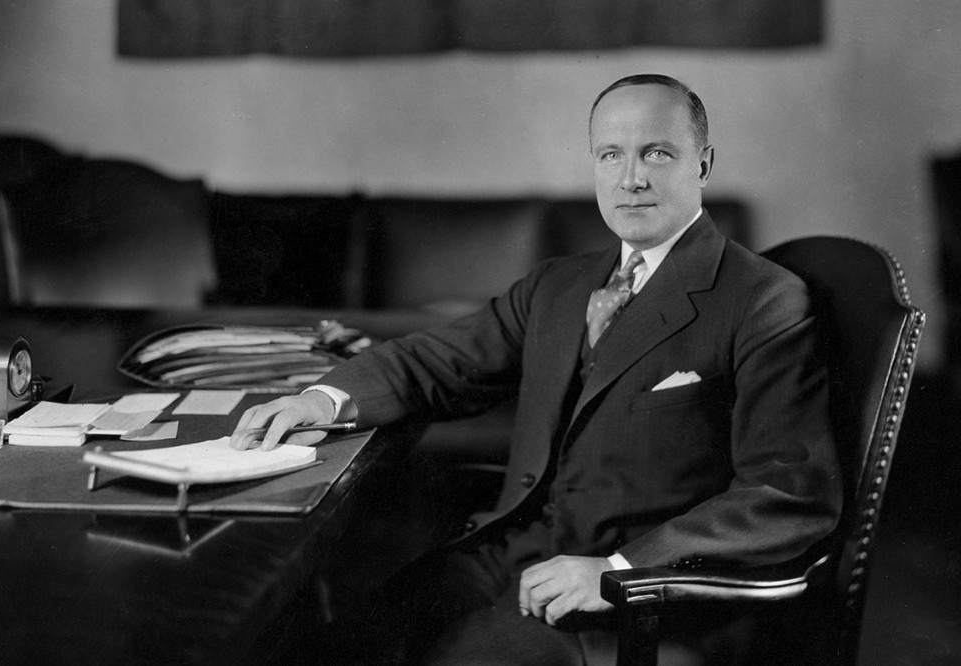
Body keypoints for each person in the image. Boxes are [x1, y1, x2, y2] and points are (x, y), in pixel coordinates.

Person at [230, 74, 843, 664]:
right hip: (505, 554)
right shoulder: (559, 284)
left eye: (656, 153)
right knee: (325, 650)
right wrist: (322, 400)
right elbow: (441, 360)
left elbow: (785, 492)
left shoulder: (762, 299)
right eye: (610, 155)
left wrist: (619, 571)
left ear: (702, 165)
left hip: (629, 600)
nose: (630, 179)